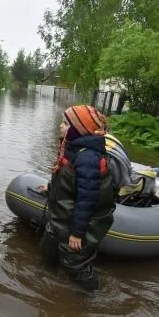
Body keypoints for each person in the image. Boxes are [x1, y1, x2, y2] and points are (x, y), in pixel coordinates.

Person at [38, 105, 116, 291]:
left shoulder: (88, 158)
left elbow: (87, 198)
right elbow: (69, 182)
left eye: (65, 123)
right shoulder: (73, 148)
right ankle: (45, 285)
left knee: (74, 262)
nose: (60, 126)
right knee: (47, 249)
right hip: (62, 218)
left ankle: (92, 297)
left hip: (80, 223)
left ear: (79, 129)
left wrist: (77, 233)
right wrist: (50, 188)